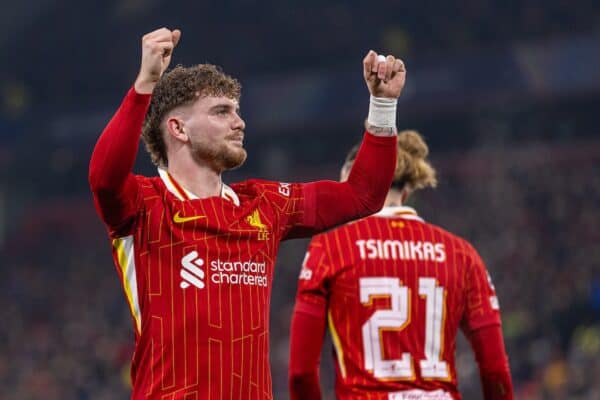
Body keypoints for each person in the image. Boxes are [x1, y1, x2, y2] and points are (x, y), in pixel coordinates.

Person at [88, 27, 406, 400]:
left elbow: (362, 195)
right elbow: (104, 179)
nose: (239, 122)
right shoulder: (144, 204)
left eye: (237, 112)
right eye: (222, 112)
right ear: (178, 128)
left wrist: (383, 107)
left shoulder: (265, 205)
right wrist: (145, 84)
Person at [288, 130, 514, 400]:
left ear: (352, 181)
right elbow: (496, 370)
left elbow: (301, 373)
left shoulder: (330, 249)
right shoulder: (462, 254)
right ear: (406, 190)